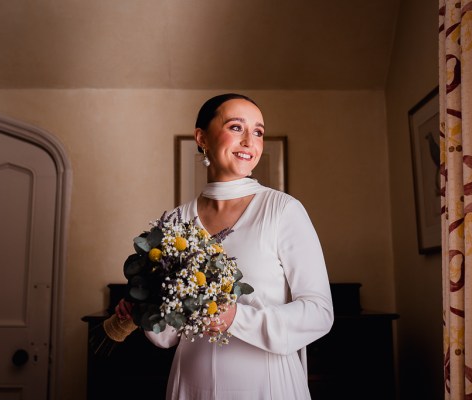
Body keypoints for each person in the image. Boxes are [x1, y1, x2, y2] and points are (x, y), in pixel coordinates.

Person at [116, 93, 334, 399]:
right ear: (201, 137)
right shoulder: (175, 220)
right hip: (190, 384)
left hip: (266, 386)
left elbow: (319, 312)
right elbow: (167, 337)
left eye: (258, 132)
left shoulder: (283, 210)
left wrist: (236, 318)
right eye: (236, 127)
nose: (249, 141)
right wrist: (144, 311)